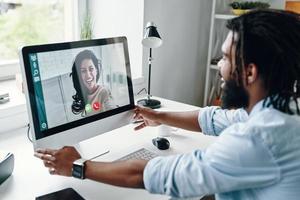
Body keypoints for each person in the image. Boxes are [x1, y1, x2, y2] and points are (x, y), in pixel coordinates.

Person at [35, 10, 300, 199]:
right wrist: (158, 117)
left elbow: (155, 175)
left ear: (250, 72)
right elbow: (212, 119)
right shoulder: (280, 110)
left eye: (225, 58)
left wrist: (78, 166)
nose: (219, 66)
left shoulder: (259, 138)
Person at [70, 49, 116, 116]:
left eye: (91, 69)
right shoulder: (85, 94)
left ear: (96, 70)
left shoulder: (104, 92)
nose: (88, 76)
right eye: (83, 71)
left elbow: (112, 109)